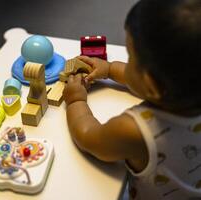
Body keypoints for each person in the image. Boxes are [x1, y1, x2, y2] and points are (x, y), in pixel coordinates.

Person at [63, 0, 201, 199]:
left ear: (151, 85)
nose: (126, 65)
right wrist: (109, 69)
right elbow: (146, 83)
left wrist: (76, 100)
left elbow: (88, 137)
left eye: (130, 58)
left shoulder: (134, 130)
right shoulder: (188, 87)